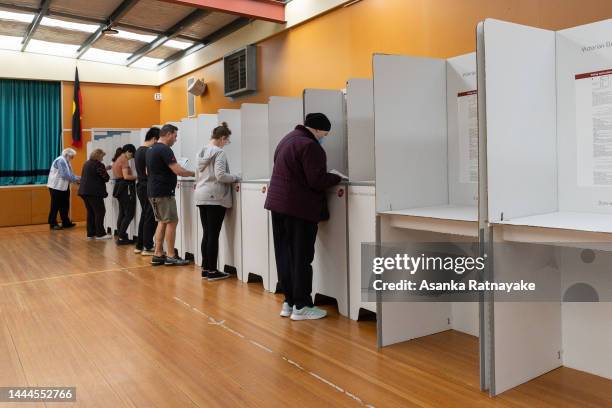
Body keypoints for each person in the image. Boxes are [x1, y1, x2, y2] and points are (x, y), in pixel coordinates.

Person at [265, 113, 342, 321]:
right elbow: (316, 180)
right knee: (301, 256)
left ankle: (289, 302)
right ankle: (303, 305)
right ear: (317, 129)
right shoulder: (310, 146)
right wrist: (337, 177)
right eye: (324, 133)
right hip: (298, 208)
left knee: (285, 255)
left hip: (278, 205)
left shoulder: (286, 140)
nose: (324, 137)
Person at [194, 122, 241, 281]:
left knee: (207, 233)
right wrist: (235, 177)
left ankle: (206, 269)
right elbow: (221, 176)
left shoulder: (201, 151)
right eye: (227, 141)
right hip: (215, 196)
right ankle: (213, 271)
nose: (226, 144)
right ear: (222, 138)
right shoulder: (219, 152)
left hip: (201, 194)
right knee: (213, 234)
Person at [146, 124, 195, 266]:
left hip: (154, 191)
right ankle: (171, 255)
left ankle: (158, 253)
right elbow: (178, 171)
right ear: (168, 134)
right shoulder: (165, 149)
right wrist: (196, 173)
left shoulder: (151, 149)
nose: (176, 139)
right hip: (163, 192)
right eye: (175, 136)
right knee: (172, 221)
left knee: (162, 221)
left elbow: (147, 171)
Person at [134, 127, 160, 256]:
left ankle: (140, 245)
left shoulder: (139, 150)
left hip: (141, 185)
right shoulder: (148, 151)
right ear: (155, 139)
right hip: (147, 186)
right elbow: (147, 171)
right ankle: (148, 246)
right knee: (150, 217)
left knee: (145, 215)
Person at [78, 148, 112, 240]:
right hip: (94, 192)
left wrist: (104, 169)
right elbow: (106, 178)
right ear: (98, 156)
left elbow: (93, 173)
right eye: (102, 156)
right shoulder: (99, 164)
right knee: (100, 212)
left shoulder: (87, 163)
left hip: (84, 191)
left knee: (91, 212)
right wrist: (105, 171)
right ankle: (100, 234)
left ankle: (90, 233)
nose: (103, 158)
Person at [47, 148, 80, 230]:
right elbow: (65, 175)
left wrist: (77, 179)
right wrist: (79, 179)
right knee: (55, 206)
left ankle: (66, 222)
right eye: (72, 156)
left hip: (63, 187)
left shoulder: (66, 161)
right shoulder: (61, 161)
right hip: (56, 187)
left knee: (65, 205)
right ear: (67, 155)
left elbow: (70, 174)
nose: (73, 158)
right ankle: (52, 223)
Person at [112, 144, 137, 245]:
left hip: (119, 187)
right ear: (128, 152)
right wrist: (137, 177)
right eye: (132, 155)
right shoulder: (124, 160)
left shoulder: (118, 158)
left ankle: (121, 236)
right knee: (129, 214)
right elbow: (126, 176)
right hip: (125, 187)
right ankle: (122, 237)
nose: (132, 157)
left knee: (122, 213)